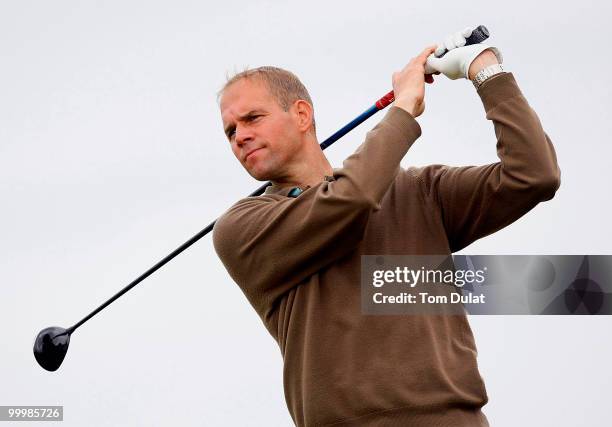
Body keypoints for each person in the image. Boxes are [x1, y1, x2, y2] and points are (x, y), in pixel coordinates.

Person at [212, 27, 560, 427]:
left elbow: (533, 175)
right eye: (230, 131)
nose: (240, 136)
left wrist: (485, 72)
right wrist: (403, 109)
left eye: (252, 118)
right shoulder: (241, 228)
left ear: (302, 115)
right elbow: (351, 200)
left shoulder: (416, 191)